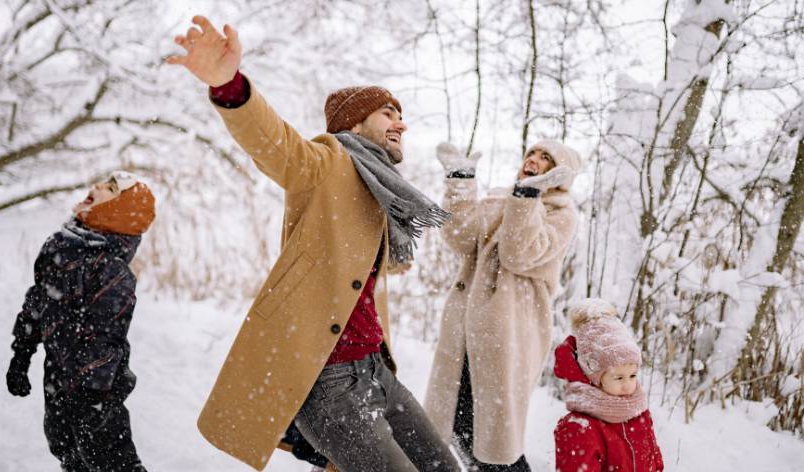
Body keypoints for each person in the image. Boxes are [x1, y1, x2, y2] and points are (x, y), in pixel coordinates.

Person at [166, 16, 460, 472]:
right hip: (329, 378)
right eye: (388, 112)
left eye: (400, 113)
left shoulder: (381, 188)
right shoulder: (328, 163)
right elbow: (278, 145)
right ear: (354, 124)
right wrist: (230, 87)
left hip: (376, 369)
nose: (401, 122)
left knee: (444, 466)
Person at [424, 140, 581, 470]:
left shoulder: (561, 216)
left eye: (546, 159)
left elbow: (517, 253)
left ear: (561, 174)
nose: (534, 161)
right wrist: (460, 181)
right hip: (464, 333)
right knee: (456, 425)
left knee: (495, 442)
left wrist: (527, 198)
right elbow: (459, 236)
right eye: (532, 154)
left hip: (508, 335)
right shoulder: (500, 198)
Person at [5, 171, 155, 471]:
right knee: (66, 451)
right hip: (58, 377)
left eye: (110, 189)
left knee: (111, 461)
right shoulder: (60, 247)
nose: (97, 186)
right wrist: (21, 353)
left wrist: (89, 397)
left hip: (96, 391)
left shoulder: (112, 272)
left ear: (118, 211)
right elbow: (39, 300)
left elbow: (105, 337)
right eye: (102, 182)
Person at [553, 298, 664, 471]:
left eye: (632, 375)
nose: (627, 385)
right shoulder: (580, 427)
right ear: (596, 378)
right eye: (618, 378)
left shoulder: (638, 413)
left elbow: (654, 460)